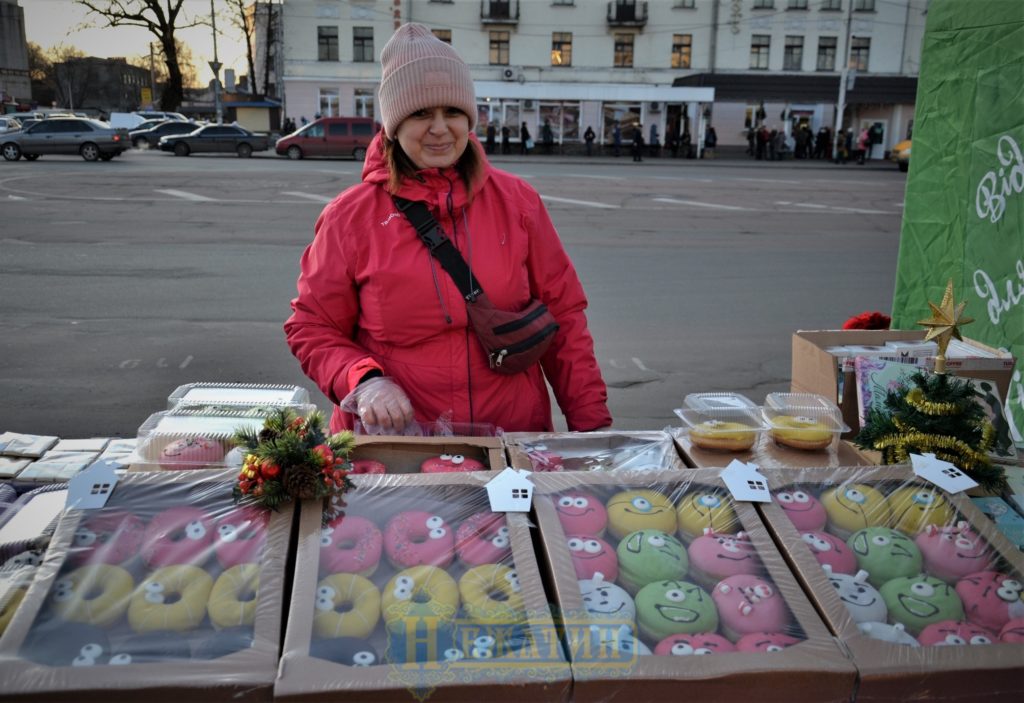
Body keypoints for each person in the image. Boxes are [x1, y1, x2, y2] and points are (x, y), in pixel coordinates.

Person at [284, 23, 611, 435]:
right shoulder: (350, 217)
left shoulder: (518, 202)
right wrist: (364, 380)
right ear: (393, 126)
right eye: (421, 113)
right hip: (398, 448)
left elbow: (565, 321)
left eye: (453, 112)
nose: (440, 128)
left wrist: (595, 432)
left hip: (509, 441)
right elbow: (311, 327)